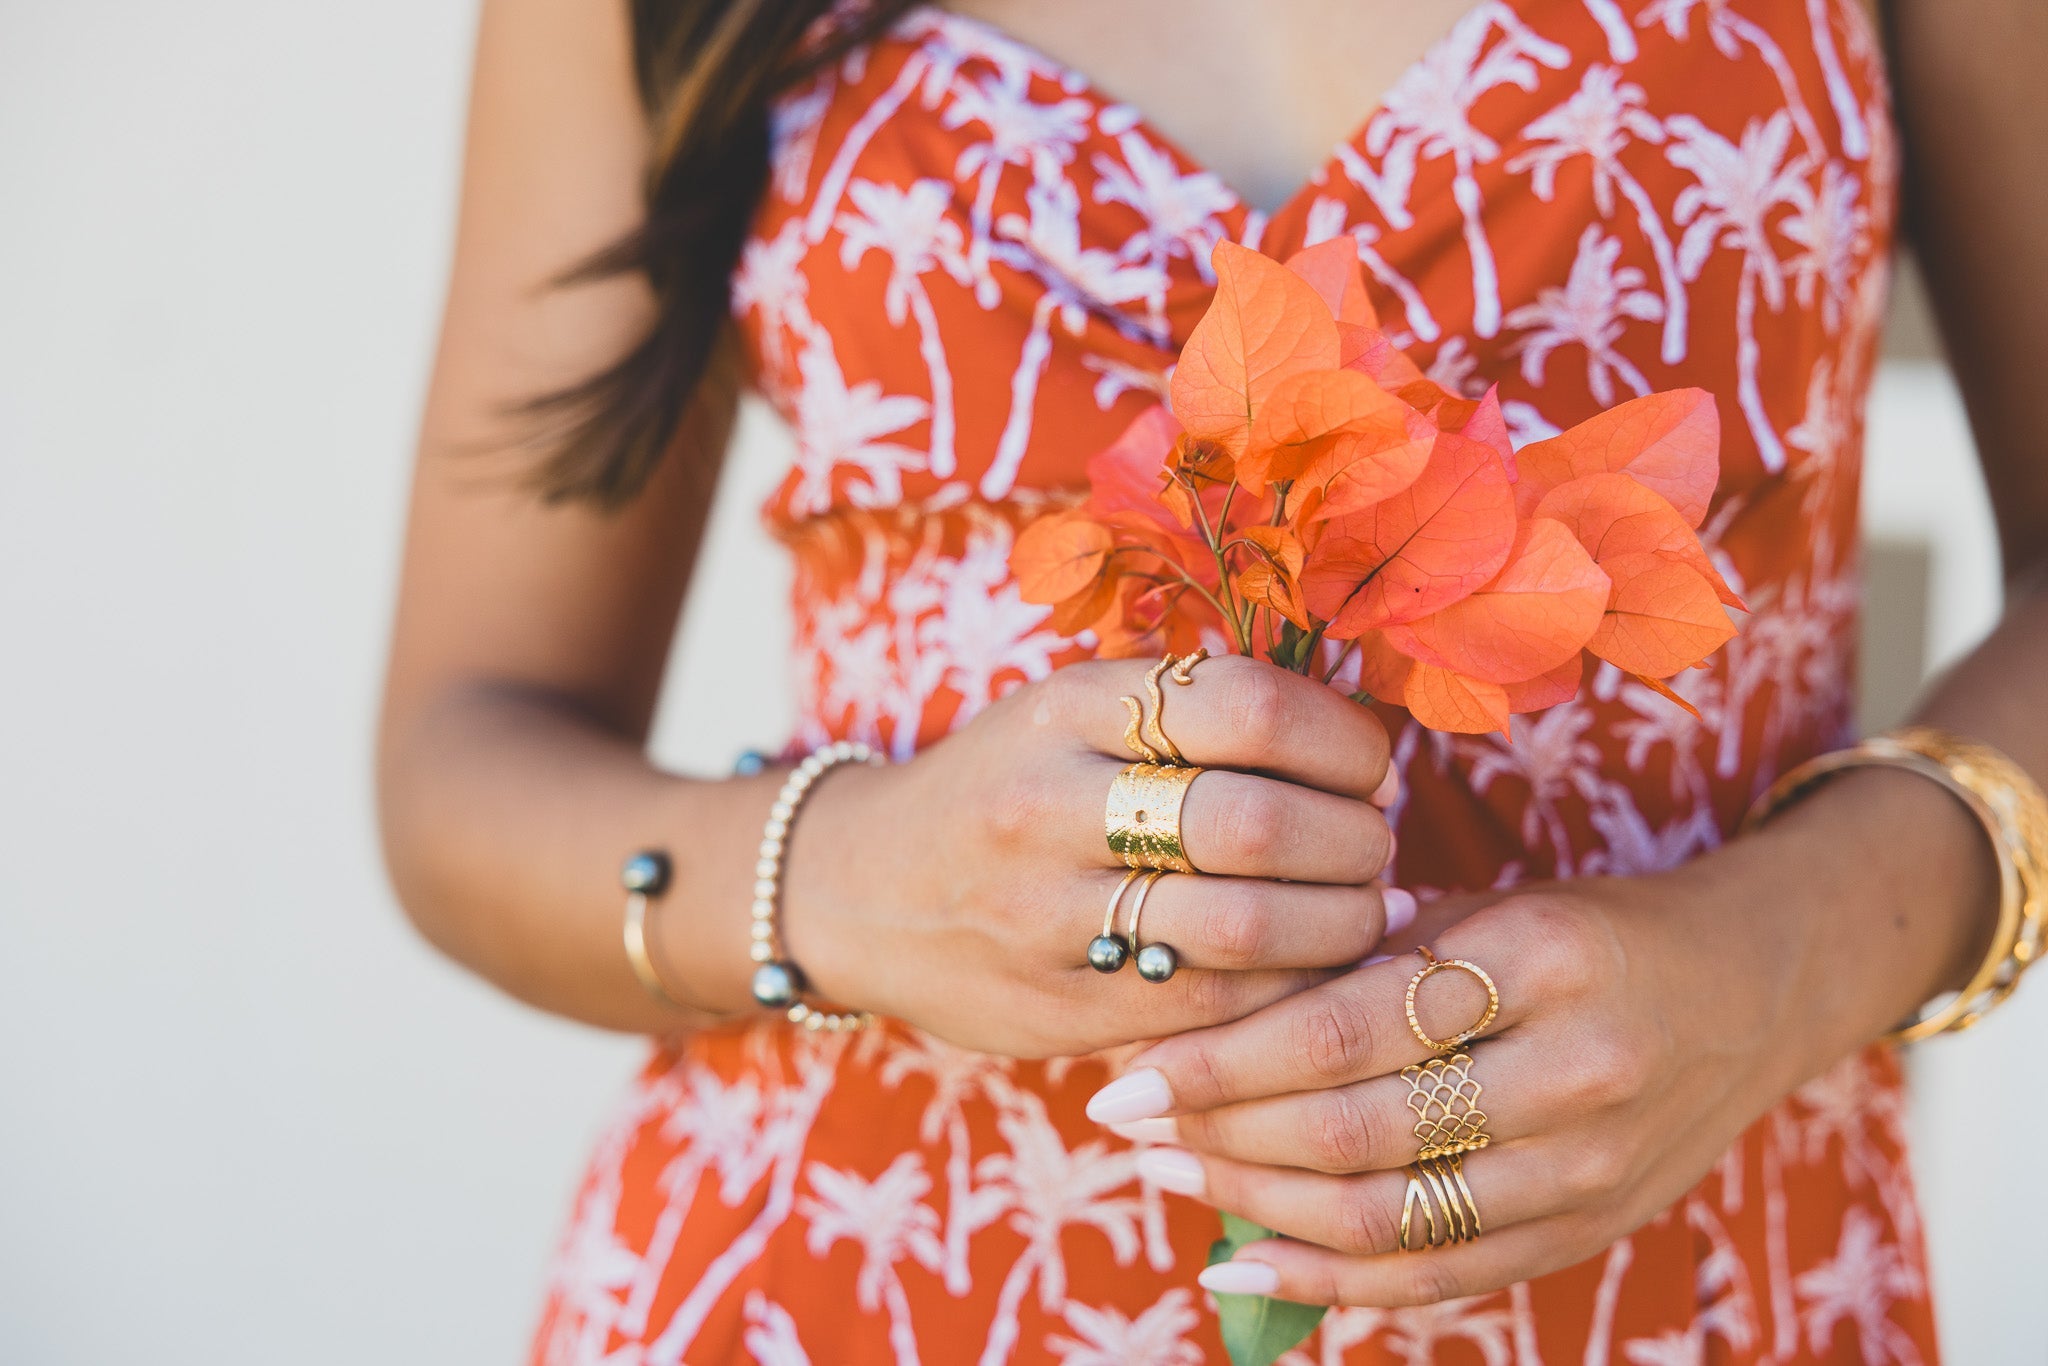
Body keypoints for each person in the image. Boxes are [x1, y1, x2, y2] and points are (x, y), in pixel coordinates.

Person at [376, 0, 2048, 1359]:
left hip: (1682, 1283)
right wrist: (853, 874)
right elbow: (463, 760)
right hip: (876, 1277)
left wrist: (1783, 954)